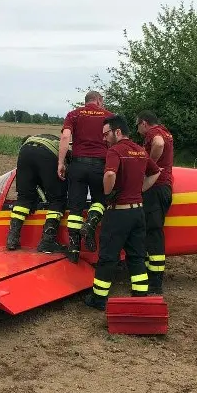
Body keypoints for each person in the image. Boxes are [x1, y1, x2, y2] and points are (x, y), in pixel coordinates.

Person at [85, 115, 161, 311]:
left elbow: (110, 174)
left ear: (117, 132)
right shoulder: (140, 151)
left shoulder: (115, 151)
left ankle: (98, 299)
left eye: (106, 134)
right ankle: (140, 295)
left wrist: (108, 192)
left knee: (108, 256)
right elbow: (156, 172)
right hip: (138, 213)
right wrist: (140, 190)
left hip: (119, 213)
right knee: (136, 257)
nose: (104, 138)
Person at [58, 90, 113, 262]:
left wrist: (60, 162)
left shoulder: (73, 114)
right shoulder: (109, 116)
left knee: (75, 208)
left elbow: (66, 136)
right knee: (101, 201)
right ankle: (90, 226)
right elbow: (115, 140)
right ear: (98, 100)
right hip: (100, 165)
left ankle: (74, 249)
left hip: (78, 165)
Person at [6, 134, 70, 254]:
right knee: (57, 199)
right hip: (47, 154)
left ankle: (12, 239)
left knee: (24, 197)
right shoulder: (66, 148)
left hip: (25, 152)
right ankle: (48, 242)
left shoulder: (32, 140)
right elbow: (66, 174)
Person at [136, 111, 174, 294]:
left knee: (153, 232)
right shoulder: (166, 130)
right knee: (151, 231)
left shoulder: (154, 133)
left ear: (144, 123)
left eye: (138, 126)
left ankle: (155, 283)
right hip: (165, 188)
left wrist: (149, 165)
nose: (138, 130)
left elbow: (158, 143)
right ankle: (149, 274)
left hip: (155, 188)